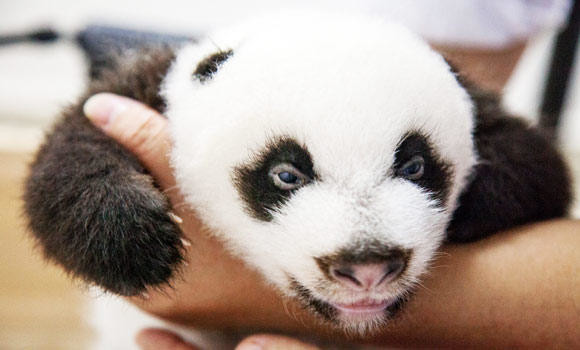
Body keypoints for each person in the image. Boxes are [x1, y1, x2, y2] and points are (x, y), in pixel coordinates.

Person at [81, 2, 579, 348]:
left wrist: (233, 290)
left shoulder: (425, 88)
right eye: (287, 179)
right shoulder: (185, 92)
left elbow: (534, 175)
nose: (367, 264)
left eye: (410, 169)